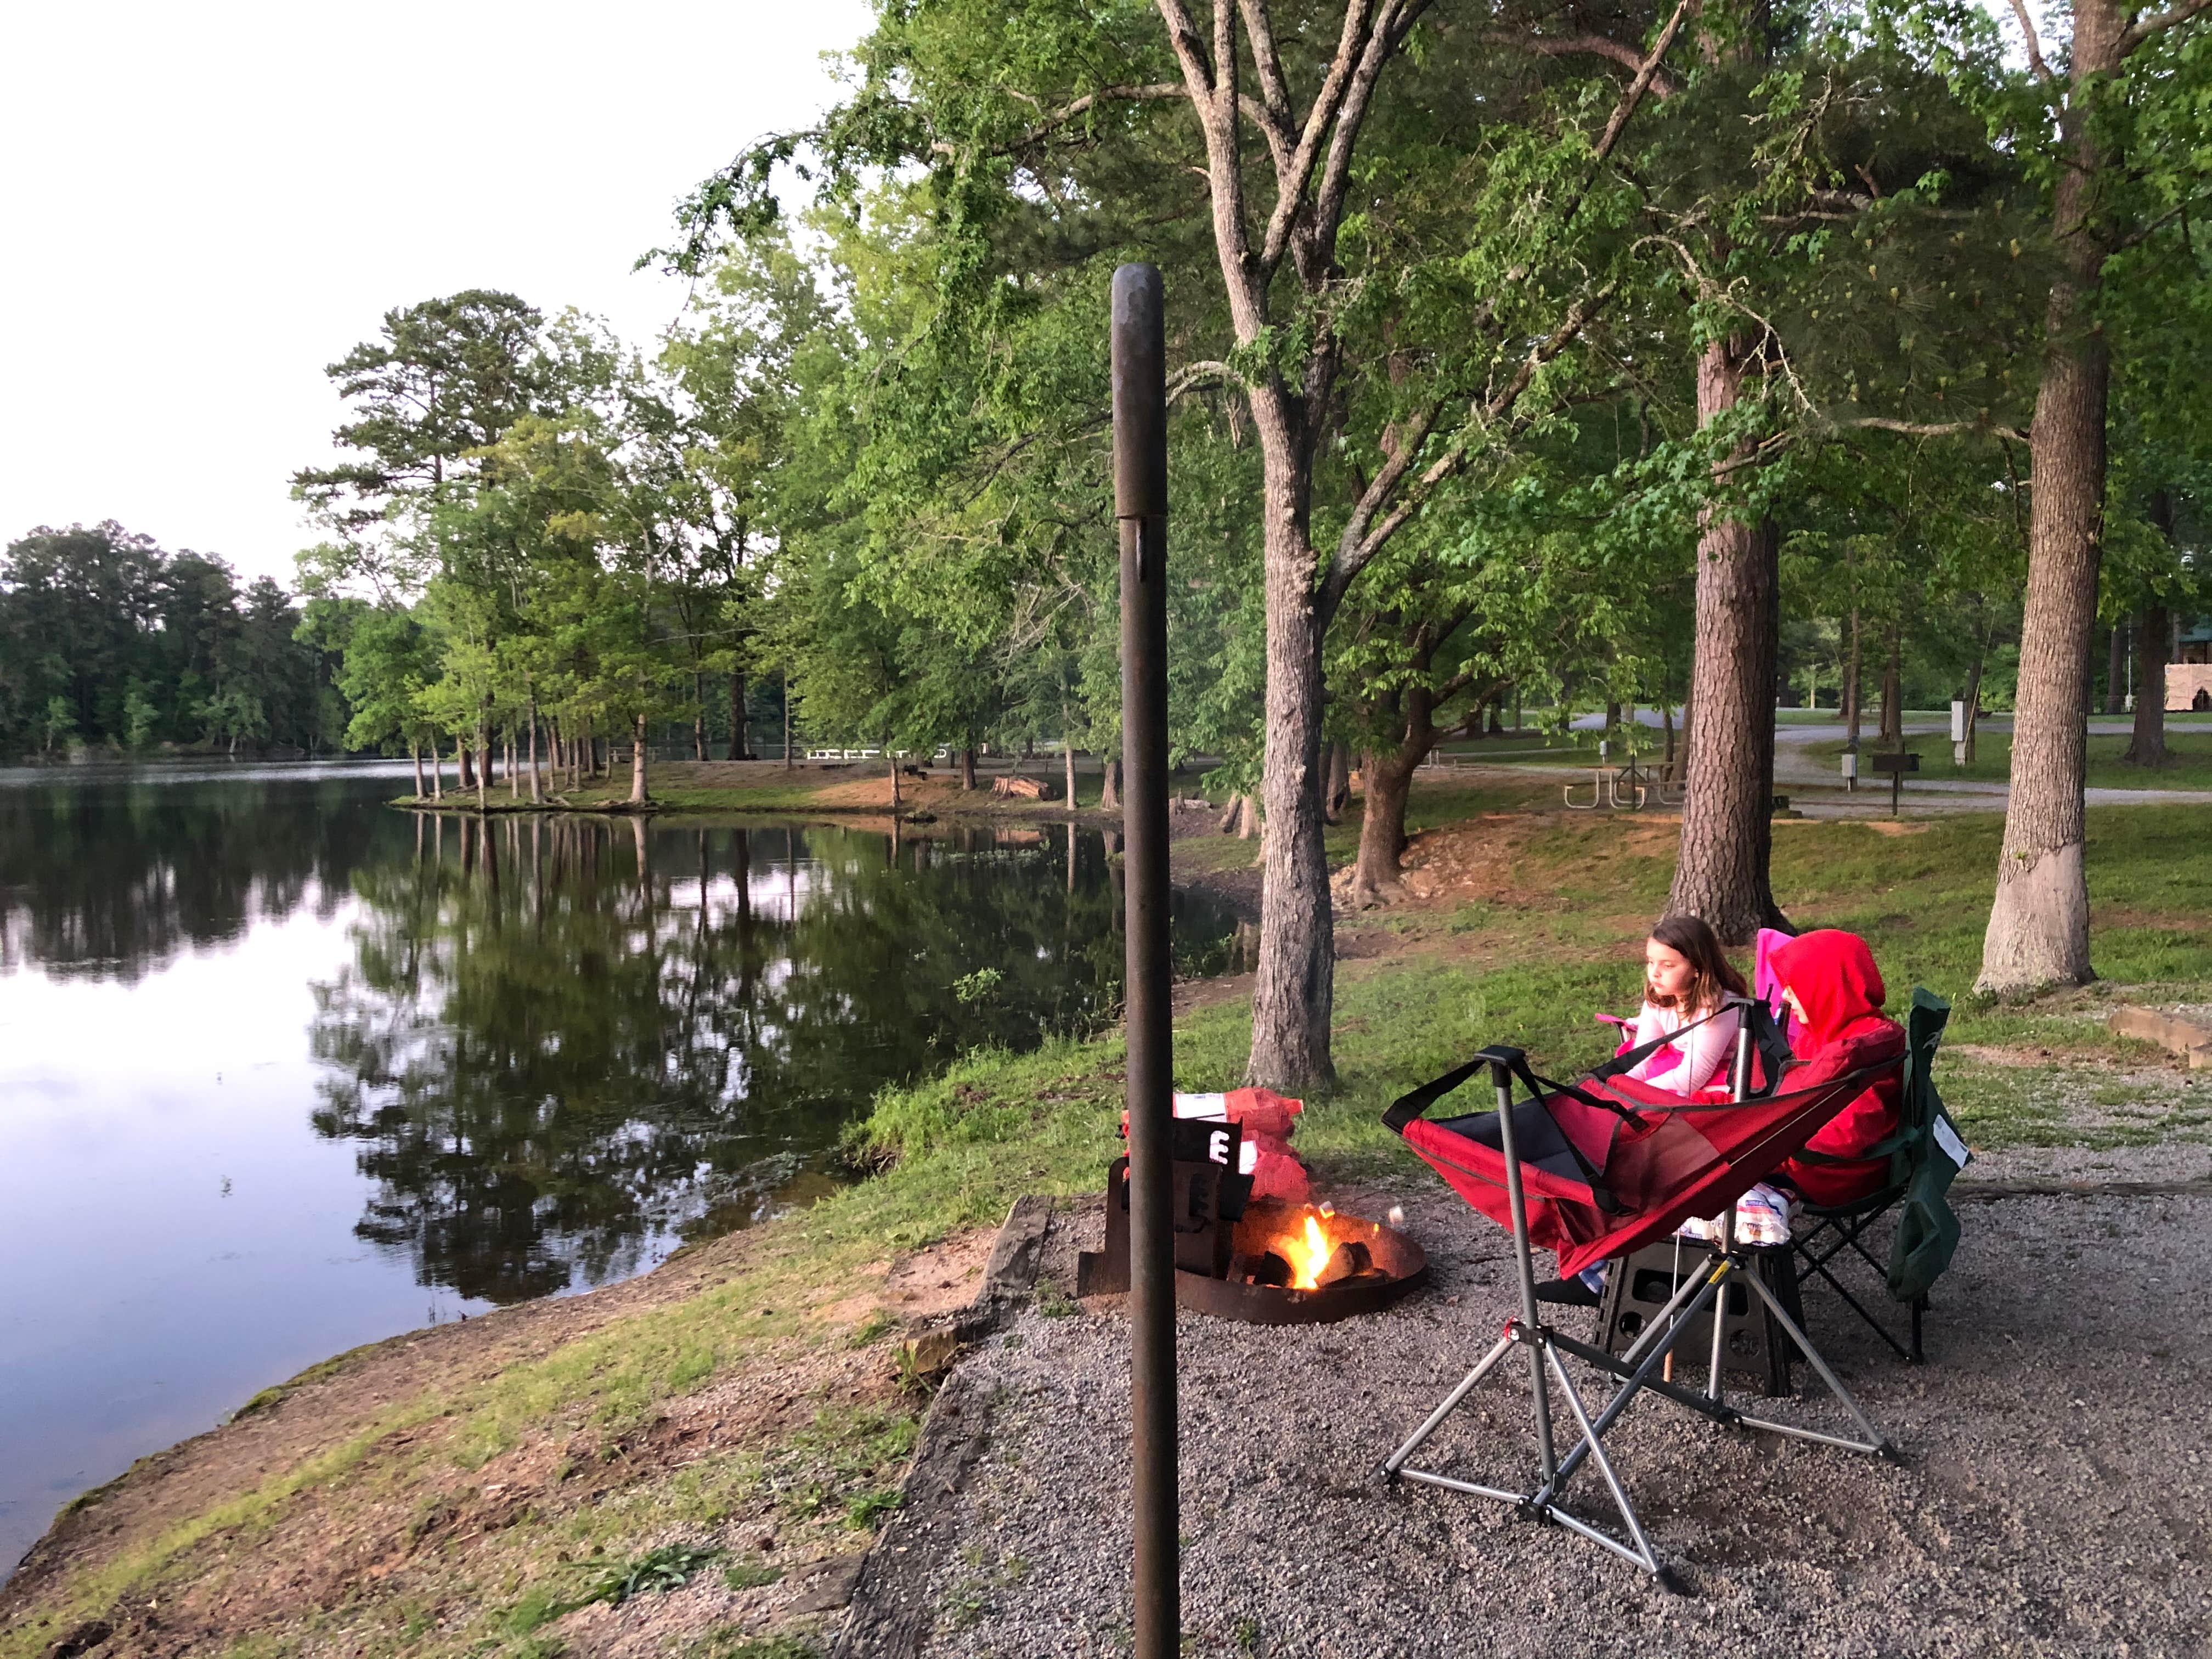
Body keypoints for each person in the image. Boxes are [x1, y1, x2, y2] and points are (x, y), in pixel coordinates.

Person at [1769, 929, 1906, 1206]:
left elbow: (1845, 1136)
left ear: (1825, 985)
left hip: (1827, 1173)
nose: (1785, 996)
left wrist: (1764, 1151)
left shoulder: (1849, 1052)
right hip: (1810, 1159)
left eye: (1795, 985)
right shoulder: (1832, 1030)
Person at [1622, 914, 1747, 1097]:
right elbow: (1642, 1058)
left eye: (1668, 966)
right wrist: (1623, 1085)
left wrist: (1640, 1092)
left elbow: (1693, 1077)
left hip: (1720, 1074)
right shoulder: (1659, 998)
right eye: (1650, 962)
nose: (1654, 973)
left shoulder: (1718, 1007)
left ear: (1697, 968)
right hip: (1680, 1066)